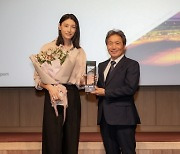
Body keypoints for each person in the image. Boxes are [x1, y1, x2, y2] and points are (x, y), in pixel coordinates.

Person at [33, 14, 86, 154]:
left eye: (73, 27)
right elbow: (38, 79)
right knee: (52, 139)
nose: (69, 30)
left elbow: (80, 82)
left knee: (71, 138)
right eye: (66, 25)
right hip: (53, 96)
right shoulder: (47, 48)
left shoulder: (79, 51)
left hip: (72, 97)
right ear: (59, 26)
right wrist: (50, 87)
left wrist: (86, 81)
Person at [91, 29, 140, 154]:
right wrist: (88, 84)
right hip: (105, 119)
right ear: (106, 45)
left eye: (117, 43)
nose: (113, 47)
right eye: (110, 43)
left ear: (124, 45)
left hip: (124, 118)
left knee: (128, 151)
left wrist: (105, 92)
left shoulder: (132, 65)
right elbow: (100, 89)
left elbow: (130, 89)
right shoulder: (102, 66)